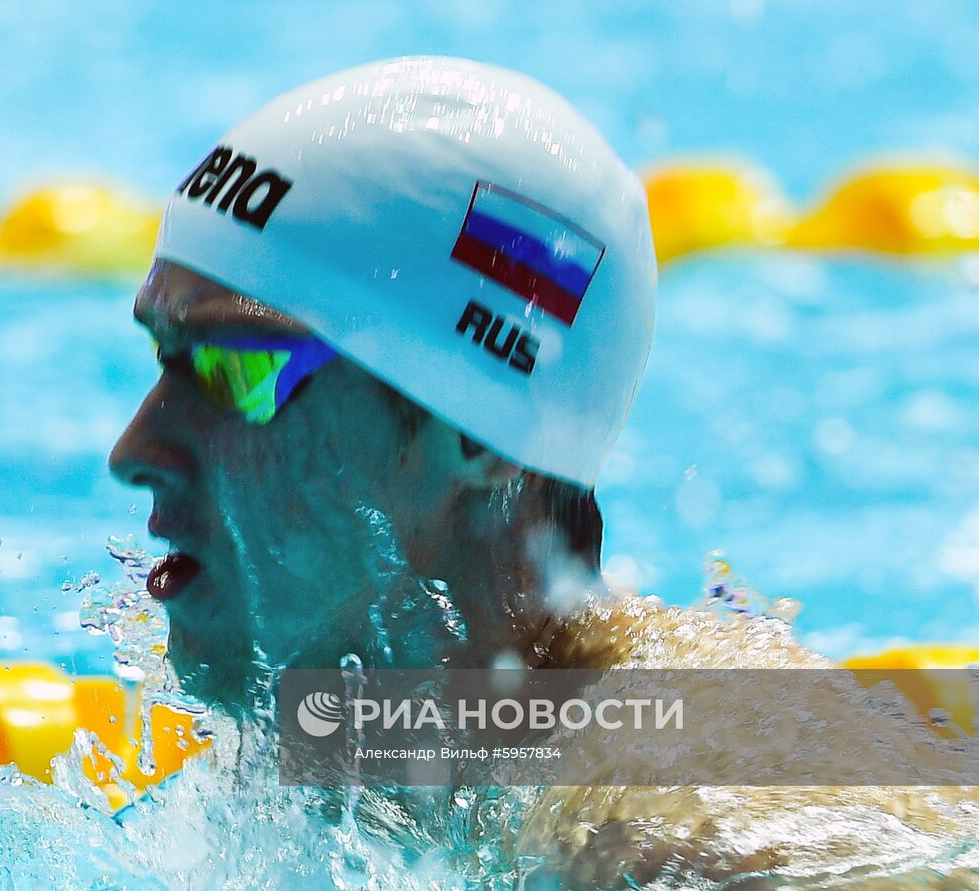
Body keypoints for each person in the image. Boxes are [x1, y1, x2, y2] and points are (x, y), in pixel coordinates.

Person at [107, 57, 976, 887]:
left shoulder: (670, 825)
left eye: (234, 369)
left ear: (478, 430)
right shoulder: (381, 745)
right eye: (160, 358)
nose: (135, 450)